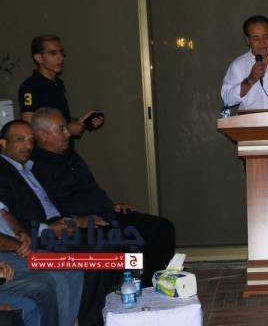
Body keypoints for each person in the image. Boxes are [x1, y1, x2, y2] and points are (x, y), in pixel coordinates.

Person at [30, 107, 175, 288]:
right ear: (43, 135)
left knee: (162, 228)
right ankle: (130, 288)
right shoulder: (37, 167)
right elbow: (50, 208)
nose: (67, 133)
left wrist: (111, 205)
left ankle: (151, 287)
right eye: (61, 129)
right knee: (119, 247)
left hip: (107, 214)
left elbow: (90, 188)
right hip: (85, 225)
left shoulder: (70, 155)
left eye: (66, 127)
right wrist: (81, 220)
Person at [0, 120, 84, 326]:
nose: (28, 145)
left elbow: (3, 212)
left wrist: (20, 232)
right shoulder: (3, 171)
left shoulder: (33, 167)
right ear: (3, 143)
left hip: (23, 239)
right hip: (11, 249)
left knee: (74, 267)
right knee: (53, 277)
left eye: (31, 140)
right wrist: (23, 240)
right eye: (20, 139)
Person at [18, 34, 104, 138]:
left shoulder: (58, 83)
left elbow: (58, 121)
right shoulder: (30, 86)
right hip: (46, 149)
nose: (61, 58)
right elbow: (29, 130)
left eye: (61, 52)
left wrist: (83, 122)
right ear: (38, 58)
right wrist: (68, 130)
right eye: (53, 53)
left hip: (64, 147)